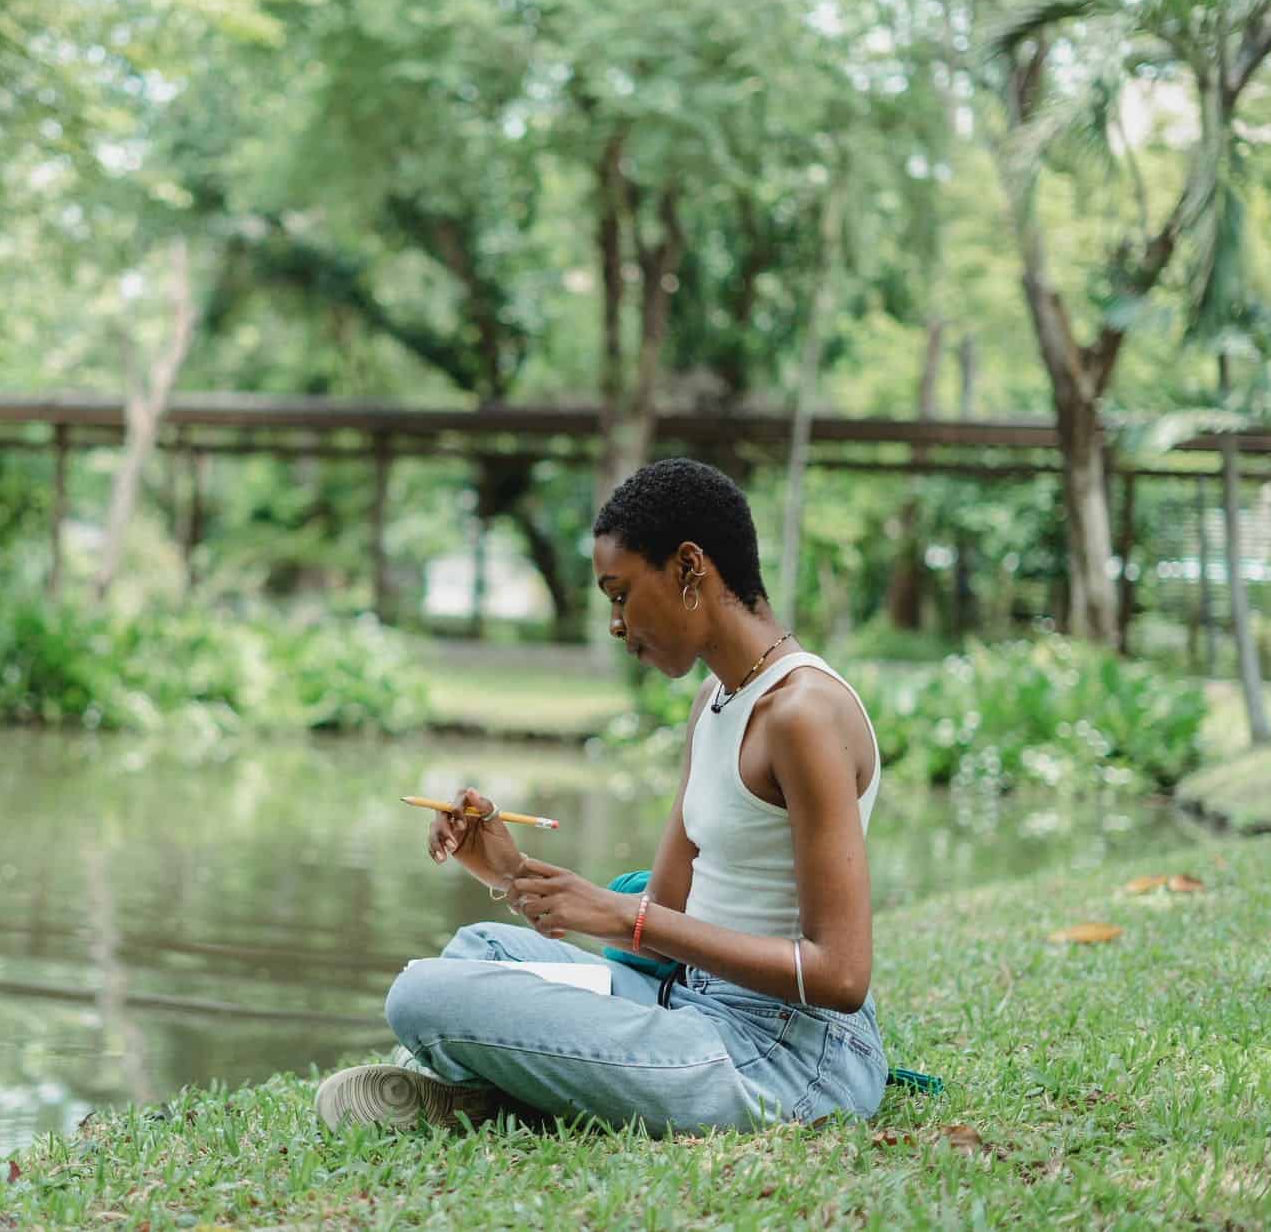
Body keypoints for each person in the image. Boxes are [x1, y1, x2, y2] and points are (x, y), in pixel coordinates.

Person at [316, 457, 886, 1135]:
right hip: (687, 1002)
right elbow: (663, 920)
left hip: (781, 1057)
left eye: (620, 594)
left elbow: (842, 975)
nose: (616, 624)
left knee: (419, 994)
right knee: (480, 950)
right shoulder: (715, 700)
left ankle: (501, 1087)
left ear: (688, 567)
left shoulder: (804, 714)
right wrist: (510, 871)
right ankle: (520, 1090)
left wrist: (621, 916)